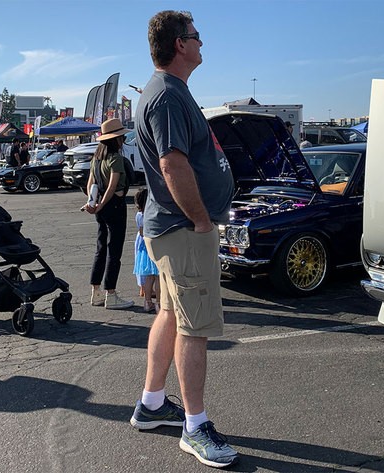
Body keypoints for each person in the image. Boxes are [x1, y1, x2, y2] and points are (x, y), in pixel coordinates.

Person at [130, 10, 238, 469]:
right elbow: (173, 165)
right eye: (196, 36)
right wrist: (200, 221)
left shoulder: (169, 91)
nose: (201, 42)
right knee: (195, 327)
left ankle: (152, 405)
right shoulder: (168, 97)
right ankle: (195, 427)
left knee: (174, 314)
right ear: (179, 44)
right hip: (183, 228)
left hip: (170, 227)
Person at [83, 117, 134, 310]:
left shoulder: (97, 158)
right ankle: (110, 294)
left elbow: (90, 183)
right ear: (116, 139)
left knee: (100, 247)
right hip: (114, 206)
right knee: (115, 250)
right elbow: (113, 187)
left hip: (99, 206)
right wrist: (103, 204)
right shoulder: (116, 158)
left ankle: (95, 292)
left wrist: (93, 202)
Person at [132, 187, 159, 313]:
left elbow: (141, 232)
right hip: (154, 246)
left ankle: (148, 302)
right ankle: (159, 303)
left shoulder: (139, 215)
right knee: (158, 277)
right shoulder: (152, 214)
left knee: (148, 277)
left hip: (144, 248)